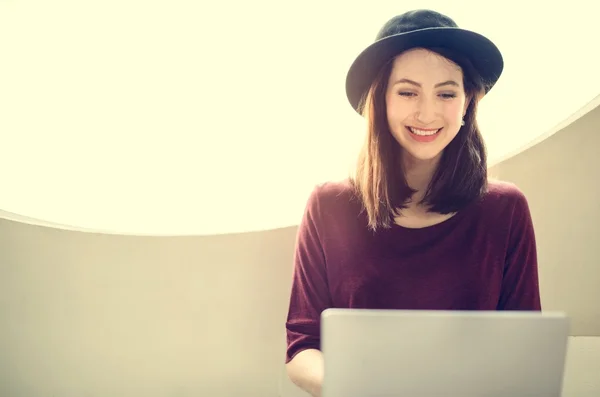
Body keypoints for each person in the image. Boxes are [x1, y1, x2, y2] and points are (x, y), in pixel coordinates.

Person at [283, 9, 542, 397]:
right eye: (407, 92)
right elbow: (302, 346)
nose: (427, 112)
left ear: (468, 102)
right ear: (380, 99)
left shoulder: (505, 208)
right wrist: (359, 386)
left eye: (447, 93)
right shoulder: (328, 205)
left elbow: (526, 346)